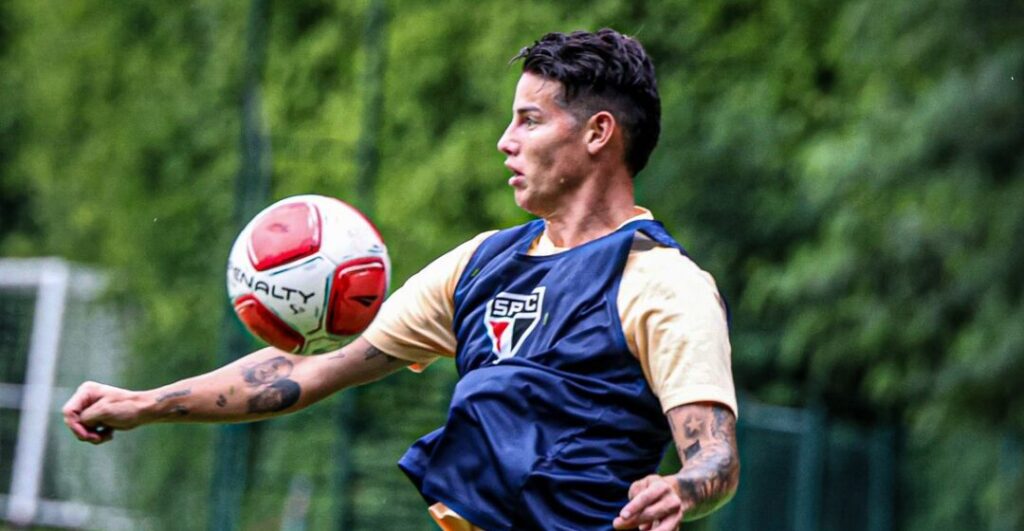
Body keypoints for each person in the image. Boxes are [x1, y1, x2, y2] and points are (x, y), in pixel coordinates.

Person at [63, 28, 739, 531]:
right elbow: (319, 369)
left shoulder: (663, 284)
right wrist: (144, 402)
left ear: (598, 133)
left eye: (529, 120)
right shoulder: (482, 262)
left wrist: (682, 487)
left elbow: (716, 461)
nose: (505, 140)